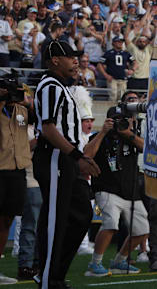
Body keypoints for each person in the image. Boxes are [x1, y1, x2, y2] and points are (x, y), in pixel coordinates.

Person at [33, 40, 101, 289]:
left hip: (66, 157)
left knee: (81, 215)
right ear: (54, 61)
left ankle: (54, 273)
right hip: (55, 157)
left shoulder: (61, 87)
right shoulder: (50, 86)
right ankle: (49, 280)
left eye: (77, 56)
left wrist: (75, 156)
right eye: (70, 56)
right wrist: (76, 156)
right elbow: (48, 129)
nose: (76, 61)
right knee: (55, 220)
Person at [82, 92, 149, 276]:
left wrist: (127, 133)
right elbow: (87, 154)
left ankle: (119, 261)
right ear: (108, 120)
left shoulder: (131, 136)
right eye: (116, 120)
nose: (119, 123)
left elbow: (145, 148)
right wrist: (103, 132)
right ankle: (94, 264)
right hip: (107, 188)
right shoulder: (99, 136)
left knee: (142, 230)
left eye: (122, 120)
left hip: (130, 190)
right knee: (110, 224)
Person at [0, 71, 34, 285]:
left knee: (6, 219)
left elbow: (41, 116)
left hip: (18, 169)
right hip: (0, 169)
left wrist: (24, 98)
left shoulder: (23, 110)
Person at [97, 36, 136, 102]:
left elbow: (135, 62)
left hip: (123, 79)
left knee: (122, 97)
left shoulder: (126, 53)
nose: (120, 43)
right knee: (113, 95)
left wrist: (132, 70)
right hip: (112, 79)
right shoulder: (108, 53)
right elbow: (99, 64)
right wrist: (106, 75)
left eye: (121, 42)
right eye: (118, 41)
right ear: (113, 43)